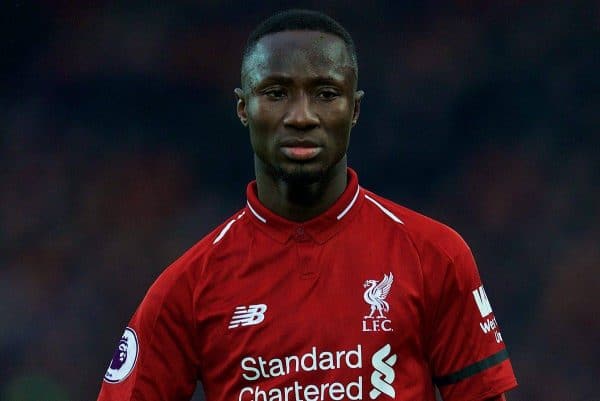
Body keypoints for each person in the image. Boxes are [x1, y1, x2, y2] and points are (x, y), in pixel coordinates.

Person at [97, 9, 517, 401]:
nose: (301, 116)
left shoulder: (435, 256)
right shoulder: (188, 287)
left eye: (325, 93)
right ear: (244, 108)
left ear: (354, 109)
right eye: (277, 93)